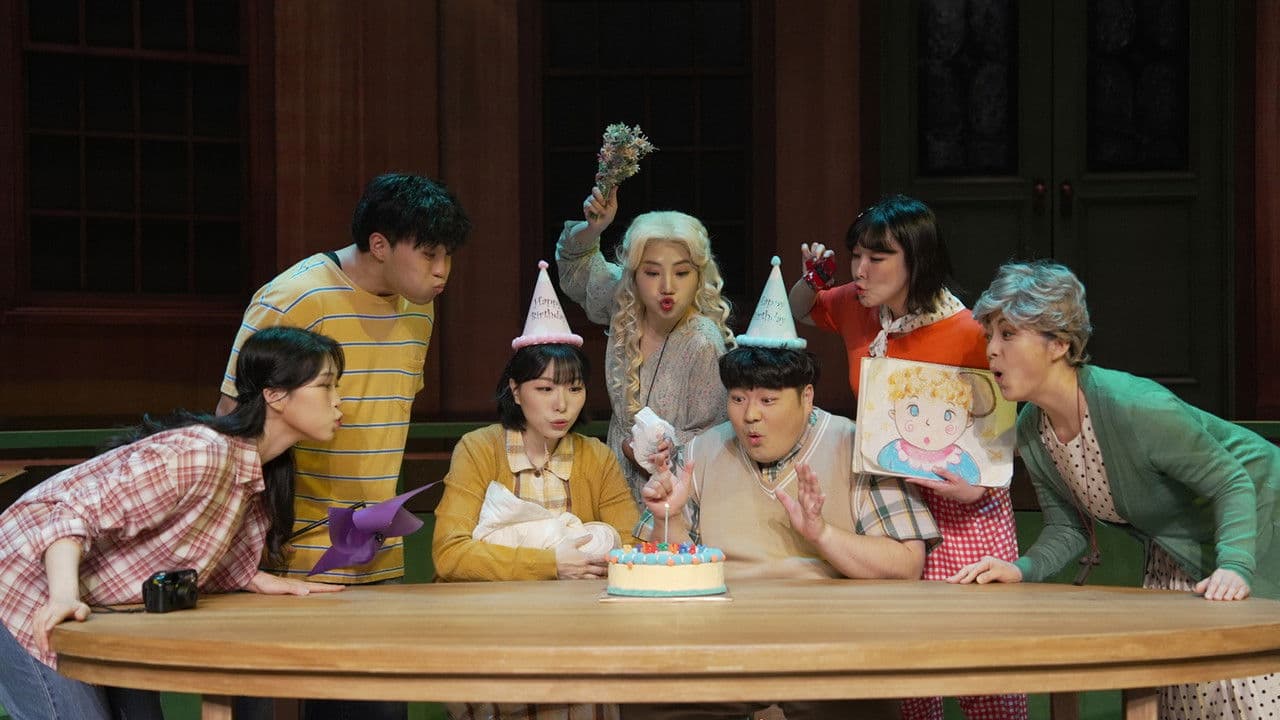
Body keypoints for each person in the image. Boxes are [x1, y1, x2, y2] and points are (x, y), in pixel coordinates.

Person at [952, 260, 1280, 720]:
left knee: (1245, 695)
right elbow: (1068, 528)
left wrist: (1236, 565)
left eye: (1008, 334)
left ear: (1058, 344)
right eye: (990, 335)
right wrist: (1020, 569)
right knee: (1181, 696)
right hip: (1177, 550)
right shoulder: (1031, 429)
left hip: (1254, 526)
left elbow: (1232, 481)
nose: (991, 350)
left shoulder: (1133, 407)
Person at [623, 259, 939, 720]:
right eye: (738, 399)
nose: (750, 415)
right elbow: (662, 572)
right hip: (720, 651)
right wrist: (668, 518)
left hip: (829, 652)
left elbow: (908, 564)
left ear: (806, 397)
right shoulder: (702, 452)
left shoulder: (857, 445)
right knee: (647, 704)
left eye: (768, 400)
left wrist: (822, 534)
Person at [0, 327, 346, 720]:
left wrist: (252, 578)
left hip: (103, 611)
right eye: (326, 386)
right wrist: (63, 596)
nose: (339, 401)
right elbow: (69, 513)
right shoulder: (201, 454)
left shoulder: (258, 474)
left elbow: (192, 547)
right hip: (23, 586)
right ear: (275, 395)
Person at [787, 195, 1025, 720]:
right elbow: (801, 308)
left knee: (983, 666)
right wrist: (810, 278)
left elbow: (1003, 426)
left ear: (917, 260)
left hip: (962, 508)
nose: (860, 270)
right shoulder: (858, 304)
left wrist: (978, 489)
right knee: (910, 667)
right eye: (856, 256)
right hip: (891, 501)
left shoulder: (969, 333)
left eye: (877, 258)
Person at [433, 261, 639, 720]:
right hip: (491, 629)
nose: (562, 404)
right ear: (515, 389)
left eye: (574, 389)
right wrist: (551, 564)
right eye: (545, 389)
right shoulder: (479, 449)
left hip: (578, 630)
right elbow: (450, 554)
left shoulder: (595, 457)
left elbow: (631, 545)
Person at [557, 186, 734, 503]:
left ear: (698, 276)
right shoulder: (624, 308)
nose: (667, 287)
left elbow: (712, 439)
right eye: (652, 272)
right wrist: (594, 228)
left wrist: (645, 450)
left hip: (673, 499)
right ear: (634, 275)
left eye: (682, 272)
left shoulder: (703, 341)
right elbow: (575, 266)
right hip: (615, 489)